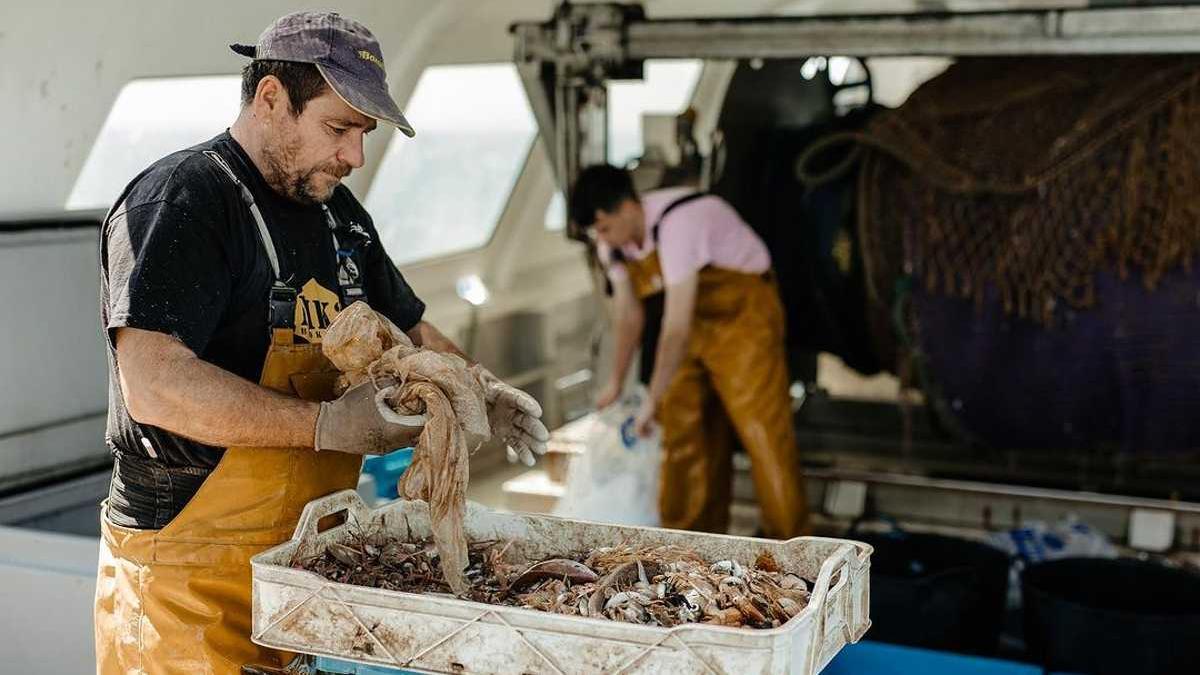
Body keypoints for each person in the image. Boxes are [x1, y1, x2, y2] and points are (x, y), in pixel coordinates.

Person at [93, 12, 548, 674]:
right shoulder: (184, 201)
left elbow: (412, 328)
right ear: (272, 97)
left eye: (363, 134)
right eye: (339, 128)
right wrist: (327, 424)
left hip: (306, 569)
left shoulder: (339, 216)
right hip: (190, 583)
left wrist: (476, 388)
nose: (355, 156)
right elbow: (155, 385)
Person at [571, 164, 808, 539]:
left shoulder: (679, 223)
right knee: (683, 434)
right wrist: (615, 383)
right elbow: (629, 315)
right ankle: (693, 544)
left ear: (629, 206)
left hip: (742, 321)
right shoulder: (611, 247)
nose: (604, 239)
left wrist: (651, 398)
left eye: (605, 228)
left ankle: (793, 545)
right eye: (596, 232)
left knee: (762, 433)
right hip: (691, 325)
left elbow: (674, 328)